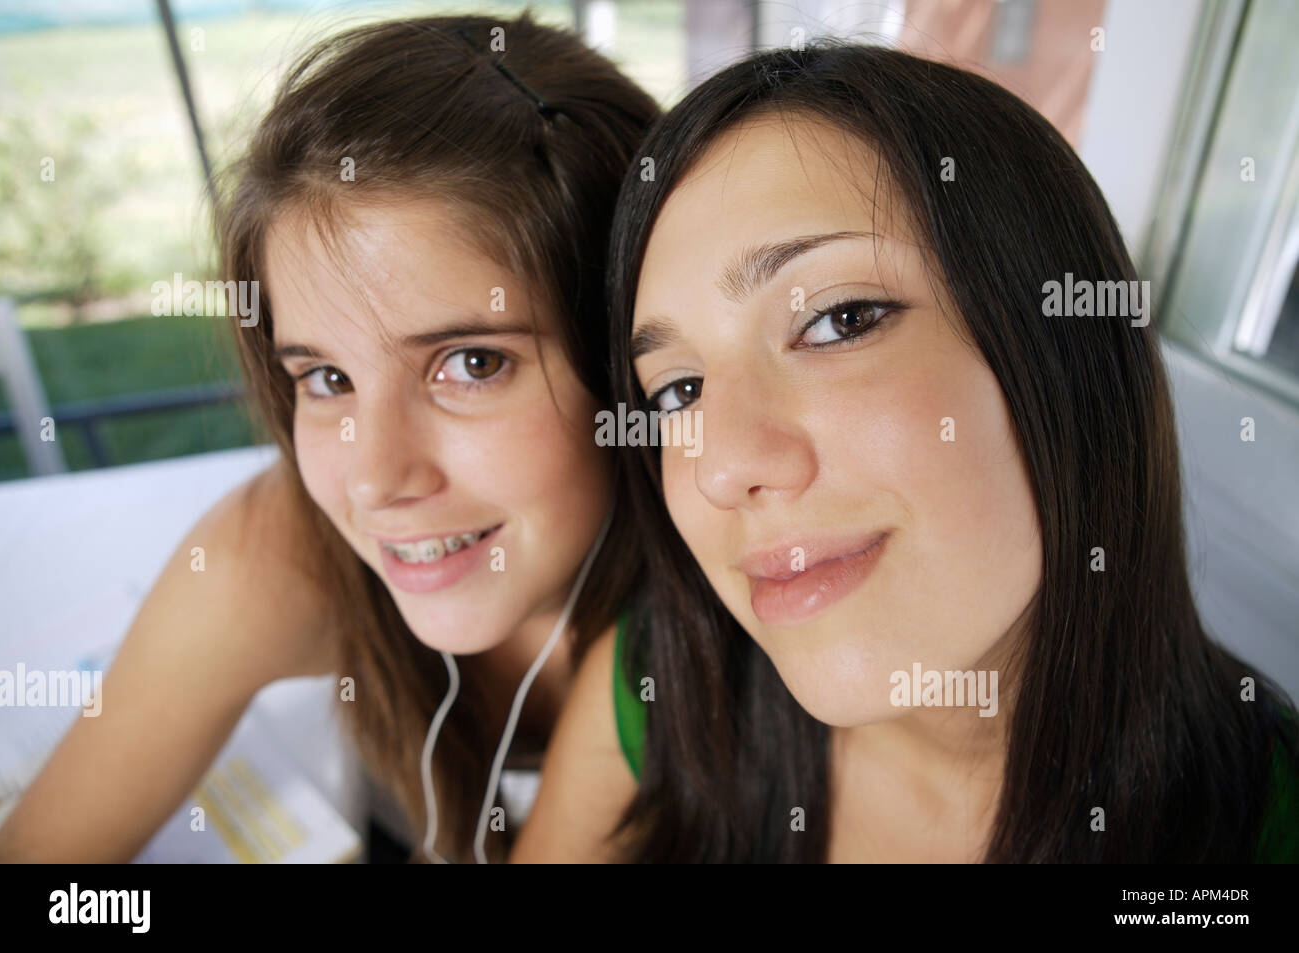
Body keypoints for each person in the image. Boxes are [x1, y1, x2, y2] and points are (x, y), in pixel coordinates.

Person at [514, 41, 1299, 863]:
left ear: (1071, 356)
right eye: (679, 391)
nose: (721, 466)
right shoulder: (661, 687)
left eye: (839, 319)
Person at [0, 13, 658, 864]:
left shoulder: (734, 606)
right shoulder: (274, 554)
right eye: (326, 378)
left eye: (471, 364)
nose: (374, 479)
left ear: (636, 357)